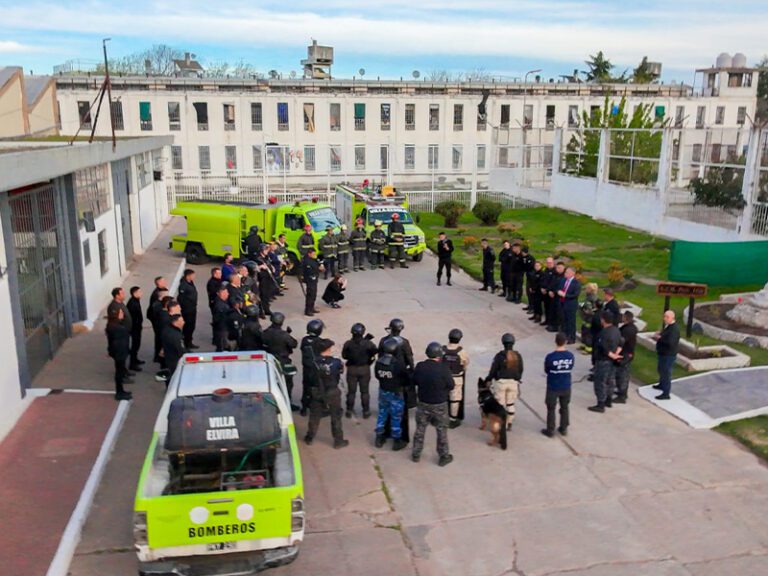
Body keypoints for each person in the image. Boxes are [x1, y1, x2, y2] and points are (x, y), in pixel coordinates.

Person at [411, 342, 454, 467]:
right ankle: (444, 456)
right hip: (439, 403)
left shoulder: (420, 366)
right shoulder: (443, 368)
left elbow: (414, 380)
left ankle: (416, 453)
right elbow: (451, 385)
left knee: (420, 428)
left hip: (423, 402)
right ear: (439, 355)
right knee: (441, 430)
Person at [305, 339, 349, 449]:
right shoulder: (336, 362)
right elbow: (341, 371)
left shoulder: (313, 363)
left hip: (317, 392)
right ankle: (338, 441)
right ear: (328, 349)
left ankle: (310, 437)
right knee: (336, 416)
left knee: (314, 416)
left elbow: (310, 377)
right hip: (332, 391)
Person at [379, 318, 415, 441]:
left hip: (385, 379)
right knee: (398, 412)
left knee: (383, 410)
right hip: (399, 379)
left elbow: (379, 358)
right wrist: (411, 373)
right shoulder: (404, 342)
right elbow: (409, 359)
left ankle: (381, 436)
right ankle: (398, 438)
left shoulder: (383, 341)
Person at [374, 337, 410, 451]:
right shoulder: (398, 364)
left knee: (382, 413)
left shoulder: (378, 362)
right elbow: (406, 378)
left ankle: (379, 437)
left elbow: (377, 375)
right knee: (396, 416)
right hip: (395, 393)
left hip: (383, 390)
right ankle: (397, 440)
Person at [262, 312, 299, 410]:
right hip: (283, 360)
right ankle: (287, 402)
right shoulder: (284, 335)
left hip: (269, 359)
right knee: (287, 383)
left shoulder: (265, 332)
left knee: (272, 381)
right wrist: (288, 334)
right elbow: (293, 344)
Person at [486, 333, 524, 429]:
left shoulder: (499, 356)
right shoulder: (518, 356)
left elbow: (493, 370)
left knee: (500, 405)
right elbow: (521, 369)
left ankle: (500, 424)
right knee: (510, 404)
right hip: (513, 383)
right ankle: (509, 423)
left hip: (501, 384)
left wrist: (489, 379)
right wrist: (517, 378)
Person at [589, 310, 623, 413]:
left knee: (600, 382)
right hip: (612, 362)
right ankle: (608, 400)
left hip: (603, 360)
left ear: (603, 320)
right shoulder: (616, 330)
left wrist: (611, 354)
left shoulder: (603, 333)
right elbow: (621, 341)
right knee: (610, 380)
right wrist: (616, 353)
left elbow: (603, 347)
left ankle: (600, 404)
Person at [542, 332, 575, 437]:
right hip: (566, 386)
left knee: (551, 408)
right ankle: (564, 428)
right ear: (565, 342)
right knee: (565, 407)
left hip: (553, 386)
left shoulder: (550, 357)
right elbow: (571, 367)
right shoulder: (570, 356)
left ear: (555, 342)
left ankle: (550, 430)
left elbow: (547, 370)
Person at [342, 323, 377, 419]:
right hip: (364, 369)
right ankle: (366, 411)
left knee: (351, 392)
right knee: (365, 392)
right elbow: (374, 352)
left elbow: (344, 356)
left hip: (352, 369)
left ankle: (349, 410)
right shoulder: (368, 344)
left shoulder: (348, 344)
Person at [442, 329, 469, 429]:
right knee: (455, 399)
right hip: (457, 378)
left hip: (443, 378)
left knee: (443, 397)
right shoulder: (462, 352)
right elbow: (465, 365)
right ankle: (453, 419)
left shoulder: (442, 350)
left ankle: (440, 417)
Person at [106, 307, 133, 401]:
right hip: (119, 352)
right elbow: (119, 341)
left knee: (120, 371)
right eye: (120, 313)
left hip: (119, 351)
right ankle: (119, 392)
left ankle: (121, 390)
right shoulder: (117, 327)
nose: (122, 314)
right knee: (119, 372)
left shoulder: (113, 325)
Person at [652, 310, 680, 400]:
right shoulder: (669, 327)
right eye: (664, 316)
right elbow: (666, 336)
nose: (665, 319)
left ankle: (666, 393)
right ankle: (662, 384)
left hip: (668, 355)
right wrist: (660, 334)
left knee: (666, 372)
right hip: (663, 353)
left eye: (667, 317)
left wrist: (659, 338)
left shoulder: (674, 329)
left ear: (672, 318)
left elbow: (670, 342)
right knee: (661, 369)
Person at [300, 319, 325, 416]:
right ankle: (317, 409)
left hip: (306, 368)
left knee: (306, 388)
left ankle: (304, 408)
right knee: (317, 388)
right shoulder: (319, 342)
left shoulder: (304, 340)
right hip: (315, 369)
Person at [614, 310, 638, 404]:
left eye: (623, 316)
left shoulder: (628, 330)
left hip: (625, 354)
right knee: (621, 374)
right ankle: (621, 391)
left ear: (626, 318)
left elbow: (622, 341)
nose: (622, 318)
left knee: (623, 375)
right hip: (626, 353)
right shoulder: (629, 327)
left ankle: (622, 396)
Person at [557, 267, 581, 344]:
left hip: (570, 305)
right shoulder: (563, 280)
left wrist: (565, 295)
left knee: (571, 322)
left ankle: (572, 338)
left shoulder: (576, 283)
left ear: (572, 274)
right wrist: (559, 292)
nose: (565, 274)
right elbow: (559, 288)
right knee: (564, 321)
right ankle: (565, 335)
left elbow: (575, 295)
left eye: (567, 272)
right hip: (562, 303)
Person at [177, 269, 199, 350]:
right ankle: (186, 344)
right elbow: (181, 298)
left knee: (191, 326)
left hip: (192, 308)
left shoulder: (190, 283)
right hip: (187, 309)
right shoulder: (183, 285)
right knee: (187, 327)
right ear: (188, 276)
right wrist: (184, 308)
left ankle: (189, 342)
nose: (194, 277)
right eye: (193, 275)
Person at [161, 314, 185, 384]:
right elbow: (180, 350)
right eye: (182, 320)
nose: (183, 322)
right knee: (175, 376)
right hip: (175, 359)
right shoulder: (176, 335)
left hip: (168, 357)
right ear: (175, 322)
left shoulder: (166, 330)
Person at [126, 286, 145, 371]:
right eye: (139, 292)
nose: (141, 293)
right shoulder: (133, 303)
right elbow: (133, 318)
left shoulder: (135, 301)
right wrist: (136, 326)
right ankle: (132, 364)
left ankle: (135, 359)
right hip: (134, 328)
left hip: (137, 327)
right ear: (134, 293)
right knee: (135, 345)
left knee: (137, 344)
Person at [149, 287, 169, 363]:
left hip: (160, 327)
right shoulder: (157, 305)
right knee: (160, 342)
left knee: (159, 342)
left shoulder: (159, 304)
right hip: (160, 327)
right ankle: (159, 357)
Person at [302, 247, 323, 316]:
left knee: (314, 295)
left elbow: (318, 264)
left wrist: (321, 267)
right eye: (313, 254)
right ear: (309, 254)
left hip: (314, 280)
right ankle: (308, 310)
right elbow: (309, 271)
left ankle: (312, 308)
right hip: (310, 280)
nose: (314, 255)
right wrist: (318, 269)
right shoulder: (306, 261)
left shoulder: (314, 259)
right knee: (310, 295)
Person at [546, 261, 566, 332]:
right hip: (553, 296)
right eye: (557, 267)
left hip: (559, 297)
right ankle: (552, 324)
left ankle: (556, 326)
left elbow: (561, 287)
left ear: (563, 268)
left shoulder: (564, 277)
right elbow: (551, 284)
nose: (558, 269)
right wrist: (550, 290)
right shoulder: (555, 275)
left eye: (560, 267)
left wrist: (554, 292)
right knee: (552, 310)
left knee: (558, 312)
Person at [211, 286, 231, 352]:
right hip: (222, 329)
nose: (228, 294)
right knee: (222, 347)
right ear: (221, 293)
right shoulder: (220, 305)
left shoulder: (222, 302)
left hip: (220, 329)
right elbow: (219, 318)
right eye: (226, 292)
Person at [539, 257, 556, 327]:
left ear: (553, 263)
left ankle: (550, 322)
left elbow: (553, 282)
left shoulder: (555, 272)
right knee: (546, 307)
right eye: (547, 263)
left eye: (550, 263)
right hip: (544, 292)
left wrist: (547, 289)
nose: (549, 264)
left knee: (550, 309)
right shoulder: (545, 270)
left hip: (550, 293)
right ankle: (546, 320)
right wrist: (542, 288)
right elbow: (542, 280)